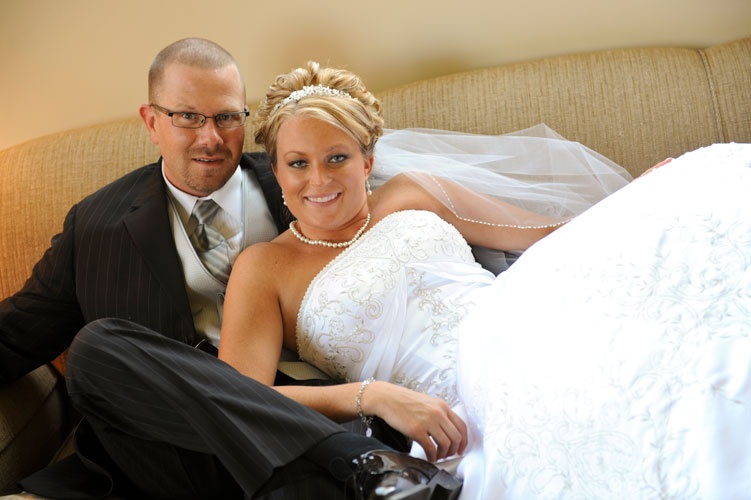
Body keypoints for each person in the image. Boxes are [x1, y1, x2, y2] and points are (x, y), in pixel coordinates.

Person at [218, 60, 751, 499]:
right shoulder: (264, 268)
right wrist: (372, 396)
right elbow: (243, 398)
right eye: (298, 163)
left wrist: (639, 197)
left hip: (534, 319)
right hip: (460, 406)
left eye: (337, 157)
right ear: (277, 170)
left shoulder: (412, 192)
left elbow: (546, 236)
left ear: (366, 160)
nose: (319, 180)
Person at [0, 40, 464, 500]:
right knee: (95, 350)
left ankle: (361, 470)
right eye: (188, 117)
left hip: (317, 425)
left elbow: (410, 260)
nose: (210, 138)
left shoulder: (306, 176)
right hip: (180, 453)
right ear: (152, 122)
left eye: (226, 117)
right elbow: (16, 335)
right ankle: (363, 465)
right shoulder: (95, 226)